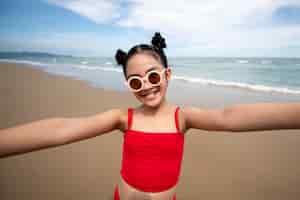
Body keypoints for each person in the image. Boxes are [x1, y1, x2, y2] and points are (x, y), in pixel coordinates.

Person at [0, 32, 299, 200]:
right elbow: (62, 129)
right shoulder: (123, 118)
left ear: (167, 75)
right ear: (128, 85)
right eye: (135, 81)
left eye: (152, 76)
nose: (146, 86)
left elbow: (230, 115)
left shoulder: (183, 118)